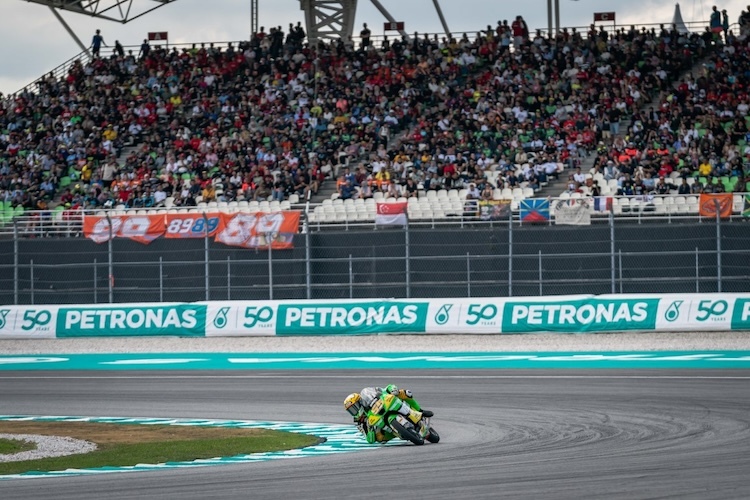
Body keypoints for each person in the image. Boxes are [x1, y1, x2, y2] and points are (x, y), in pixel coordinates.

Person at [344, 384, 434, 443]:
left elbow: (381, 390)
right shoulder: (360, 422)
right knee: (379, 438)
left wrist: (390, 389)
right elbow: (370, 440)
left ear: (359, 402)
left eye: (354, 408)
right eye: (351, 411)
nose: (354, 412)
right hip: (383, 428)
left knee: (406, 393)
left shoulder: (367, 397)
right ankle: (398, 432)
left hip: (384, 406)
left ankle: (420, 411)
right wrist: (369, 427)